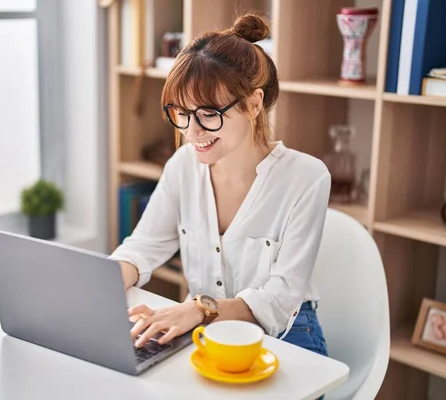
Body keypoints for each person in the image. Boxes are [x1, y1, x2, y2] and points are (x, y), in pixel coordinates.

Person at [109, 13, 330, 358]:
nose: (191, 132)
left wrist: (199, 310)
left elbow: (279, 298)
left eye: (208, 114)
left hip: (287, 337)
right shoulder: (182, 166)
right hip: (207, 331)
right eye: (180, 112)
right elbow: (142, 248)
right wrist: (99, 286)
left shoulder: (306, 177)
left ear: (253, 104)